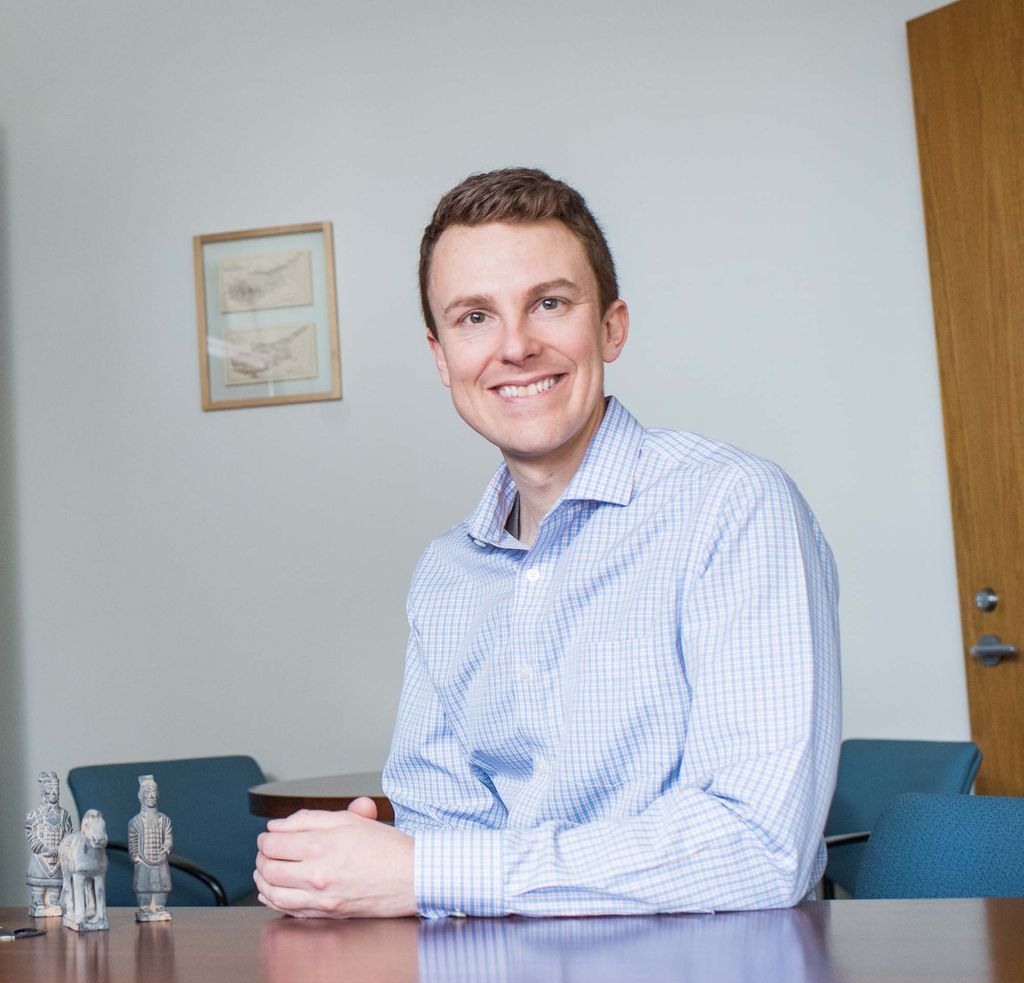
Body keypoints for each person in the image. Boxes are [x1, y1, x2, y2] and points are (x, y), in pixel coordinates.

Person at [254, 168, 841, 918]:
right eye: (474, 318)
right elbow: (443, 835)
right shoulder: (447, 575)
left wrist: (428, 874)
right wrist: (347, 874)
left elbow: (759, 849)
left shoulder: (734, 507)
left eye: (549, 304)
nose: (516, 347)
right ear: (441, 358)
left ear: (610, 327)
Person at [25, 770, 73, 916]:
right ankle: (38, 902)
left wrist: (62, 848)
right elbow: (31, 834)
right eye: (50, 789)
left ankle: (53, 902)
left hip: (58, 859)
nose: (54, 793)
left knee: (55, 887)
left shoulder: (65, 815)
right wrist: (43, 848)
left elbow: (69, 834)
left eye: (56, 790)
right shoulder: (34, 815)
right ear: (43, 791)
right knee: (39, 885)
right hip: (41, 859)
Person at [129, 774, 173, 921]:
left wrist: (166, 849)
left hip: (160, 860)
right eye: (148, 793)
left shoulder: (164, 819)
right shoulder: (135, 821)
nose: (152, 796)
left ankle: (159, 907)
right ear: (140, 796)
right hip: (143, 859)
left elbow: (168, 838)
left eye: (154, 793)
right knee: (143, 886)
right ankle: (145, 907)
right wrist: (135, 855)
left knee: (162, 885)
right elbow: (133, 841)